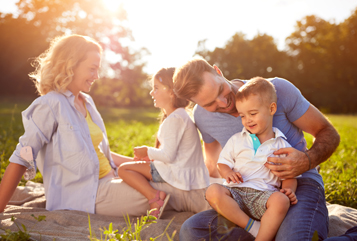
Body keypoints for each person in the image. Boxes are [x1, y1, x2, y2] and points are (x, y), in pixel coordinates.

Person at [0, 35, 211, 217]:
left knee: (166, 179)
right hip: (87, 193)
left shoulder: (87, 102)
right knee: (164, 189)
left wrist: (149, 164)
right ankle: (211, 200)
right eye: (92, 69)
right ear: (70, 64)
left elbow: (101, 155)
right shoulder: (49, 105)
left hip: (111, 178)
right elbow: (22, 157)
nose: (97, 76)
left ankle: (215, 194)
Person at [173, 58, 340, 240]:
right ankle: (262, 231)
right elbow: (213, 163)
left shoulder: (277, 90)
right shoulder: (201, 116)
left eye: (221, 90)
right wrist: (221, 193)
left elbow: (328, 133)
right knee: (191, 231)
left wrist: (307, 160)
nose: (223, 103)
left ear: (218, 71)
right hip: (244, 191)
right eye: (209, 104)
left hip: (296, 186)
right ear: (192, 102)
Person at [205, 77, 298, 240]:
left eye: (253, 113)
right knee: (213, 191)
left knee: (281, 201)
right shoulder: (236, 139)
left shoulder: (281, 144)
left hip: (264, 196)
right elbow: (222, 163)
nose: (247, 120)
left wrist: (289, 190)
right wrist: (227, 173)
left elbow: (289, 175)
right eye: (242, 115)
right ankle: (253, 227)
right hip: (236, 192)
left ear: (271, 109)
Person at [118, 67, 210, 219]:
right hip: (183, 172)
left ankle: (154, 197)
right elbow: (175, 152)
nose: (151, 92)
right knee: (132, 168)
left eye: (156, 88)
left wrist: (146, 151)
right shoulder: (181, 116)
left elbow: (168, 156)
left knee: (123, 170)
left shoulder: (174, 120)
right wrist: (153, 157)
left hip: (175, 173)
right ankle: (155, 195)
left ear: (171, 92)